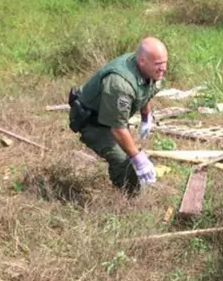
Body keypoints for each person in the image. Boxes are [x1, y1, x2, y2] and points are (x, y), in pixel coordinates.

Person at [68, 37, 167, 193]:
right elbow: (117, 128)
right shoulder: (120, 84)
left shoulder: (150, 69)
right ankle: (127, 199)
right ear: (142, 62)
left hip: (111, 114)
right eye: (158, 65)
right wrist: (138, 160)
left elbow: (146, 91)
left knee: (130, 152)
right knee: (124, 161)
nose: (163, 69)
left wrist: (146, 117)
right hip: (93, 122)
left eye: (164, 63)